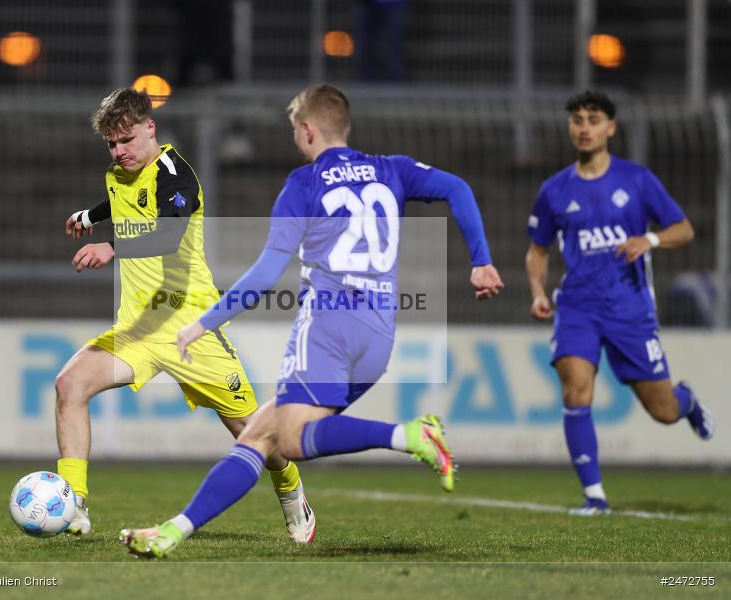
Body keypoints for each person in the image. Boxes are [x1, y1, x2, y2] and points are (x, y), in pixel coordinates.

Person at [119, 83, 504, 558]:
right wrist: (481, 259)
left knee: (295, 440)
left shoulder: (304, 184)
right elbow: (458, 189)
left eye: (293, 128)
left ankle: (409, 435)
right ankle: (172, 532)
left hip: (328, 326)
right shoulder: (393, 169)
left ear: (306, 131)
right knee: (262, 434)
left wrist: (203, 323)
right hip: (379, 332)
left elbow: (264, 273)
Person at [56, 88, 315, 542]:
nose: (119, 152)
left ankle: (292, 493)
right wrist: (88, 215)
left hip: (190, 331)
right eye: (111, 144)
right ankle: (73, 504)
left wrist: (110, 246)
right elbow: (119, 201)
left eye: (126, 140)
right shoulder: (121, 172)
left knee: (255, 435)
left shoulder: (176, 177)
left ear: (150, 128)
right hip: (137, 330)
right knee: (69, 384)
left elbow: (166, 236)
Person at [525, 90, 715, 516]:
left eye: (593, 119)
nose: (584, 127)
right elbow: (537, 251)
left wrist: (649, 239)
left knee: (663, 411)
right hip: (577, 308)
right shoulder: (554, 190)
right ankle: (595, 497)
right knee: (576, 390)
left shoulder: (637, 180)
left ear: (611, 127)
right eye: (577, 119)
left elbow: (683, 230)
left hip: (630, 309)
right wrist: (539, 293)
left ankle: (688, 402)